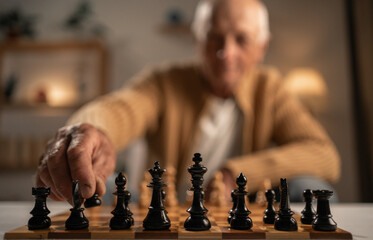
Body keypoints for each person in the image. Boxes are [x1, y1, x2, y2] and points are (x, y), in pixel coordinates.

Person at [36, 0, 341, 203]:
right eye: (214, 38)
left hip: (232, 217)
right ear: (196, 39)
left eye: (242, 39)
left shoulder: (271, 89)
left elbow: (324, 154)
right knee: (103, 185)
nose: (226, 53)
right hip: (159, 210)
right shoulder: (164, 81)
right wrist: (92, 129)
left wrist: (235, 174)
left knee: (314, 187)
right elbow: (123, 108)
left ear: (262, 47)